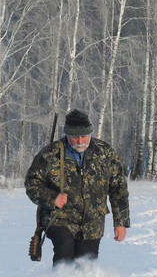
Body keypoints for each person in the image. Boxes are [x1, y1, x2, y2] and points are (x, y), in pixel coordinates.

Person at [25, 109, 130, 266]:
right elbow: (32, 183)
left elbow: (118, 189)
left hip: (92, 221)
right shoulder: (50, 155)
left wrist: (120, 222)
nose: (80, 141)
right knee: (64, 252)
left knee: (87, 263)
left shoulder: (105, 153)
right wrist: (52, 198)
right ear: (67, 135)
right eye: (75, 137)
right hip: (59, 218)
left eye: (84, 136)